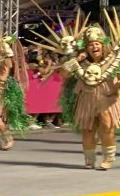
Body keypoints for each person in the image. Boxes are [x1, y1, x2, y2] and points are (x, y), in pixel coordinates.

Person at [42, 15, 120, 170]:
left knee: (107, 125)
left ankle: (108, 159)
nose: (94, 47)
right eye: (91, 45)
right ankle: (89, 160)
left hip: (107, 97)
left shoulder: (113, 59)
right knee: (88, 128)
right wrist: (77, 59)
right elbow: (64, 74)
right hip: (86, 97)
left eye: (97, 43)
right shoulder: (81, 61)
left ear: (102, 45)